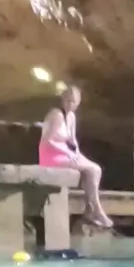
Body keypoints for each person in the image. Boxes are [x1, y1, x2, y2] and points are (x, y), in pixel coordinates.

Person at [40, 86, 113, 233]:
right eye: (68, 101)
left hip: (66, 152)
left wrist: (77, 152)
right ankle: (96, 211)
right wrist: (67, 152)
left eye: (74, 102)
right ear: (62, 99)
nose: (70, 104)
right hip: (51, 154)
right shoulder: (56, 115)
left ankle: (90, 208)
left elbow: (72, 139)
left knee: (96, 169)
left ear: (78, 103)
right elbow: (47, 141)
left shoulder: (71, 116)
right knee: (90, 169)